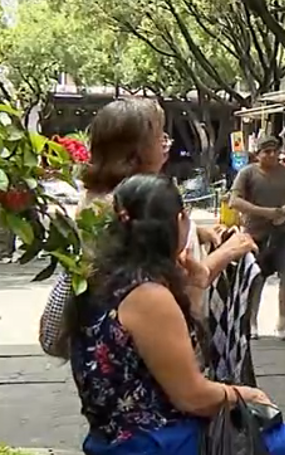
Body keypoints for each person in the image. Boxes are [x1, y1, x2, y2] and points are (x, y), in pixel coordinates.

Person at [68, 174, 285, 455]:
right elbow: (191, 395)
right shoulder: (148, 295)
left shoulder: (99, 276)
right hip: (144, 443)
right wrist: (247, 394)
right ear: (177, 221)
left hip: (111, 435)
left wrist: (198, 284)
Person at [39, 98, 254, 357]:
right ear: (134, 152)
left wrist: (198, 232)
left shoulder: (98, 197)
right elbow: (172, 278)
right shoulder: (135, 203)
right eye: (158, 135)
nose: (166, 141)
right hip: (149, 350)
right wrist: (229, 251)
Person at [230, 136, 285, 340]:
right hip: (256, 235)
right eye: (266, 152)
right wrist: (265, 212)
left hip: (283, 233)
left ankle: (282, 322)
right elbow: (234, 201)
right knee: (256, 279)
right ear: (258, 154)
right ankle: (251, 323)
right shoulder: (247, 173)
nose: (271, 155)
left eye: (274, 151)